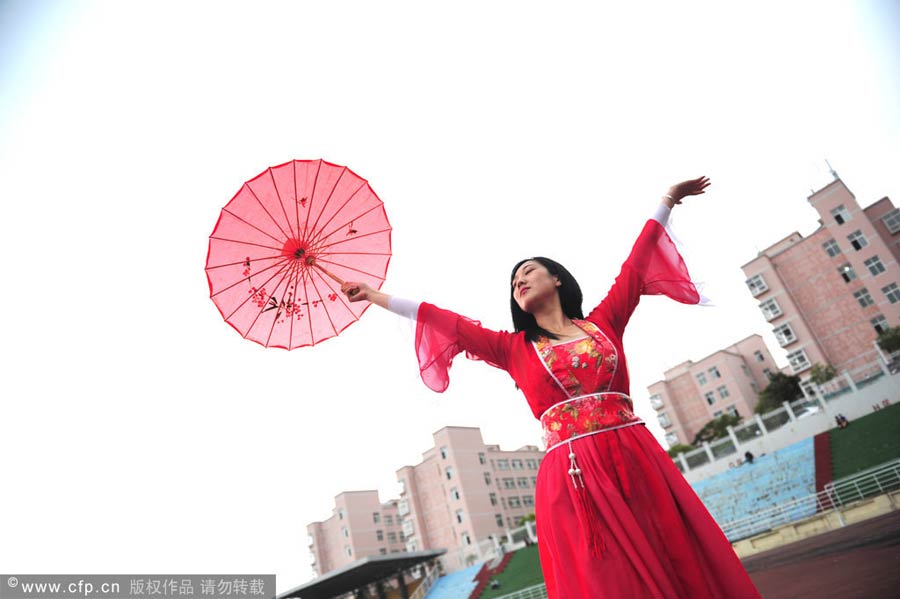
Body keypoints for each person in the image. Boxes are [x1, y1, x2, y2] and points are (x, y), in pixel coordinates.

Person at [341, 177, 760, 599]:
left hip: (635, 455)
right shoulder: (512, 349)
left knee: (673, 556)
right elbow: (441, 319)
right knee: (609, 581)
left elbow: (635, 266)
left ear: (556, 278)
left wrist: (668, 200)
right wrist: (374, 295)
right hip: (574, 474)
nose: (518, 282)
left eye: (527, 272)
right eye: (513, 283)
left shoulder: (604, 323)